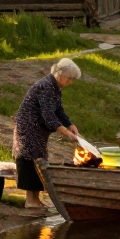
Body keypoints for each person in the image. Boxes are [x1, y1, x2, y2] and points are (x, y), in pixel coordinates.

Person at [13, 58, 83, 208]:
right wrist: (66, 133)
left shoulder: (55, 87)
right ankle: (31, 201)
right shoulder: (47, 87)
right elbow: (48, 115)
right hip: (29, 128)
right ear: (61, 74)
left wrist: (70, 124)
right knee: (31, 160)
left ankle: (35, 199)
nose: (71, 82)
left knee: (40, 160)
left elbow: (58, 110)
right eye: (70, 78)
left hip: (38, 129)